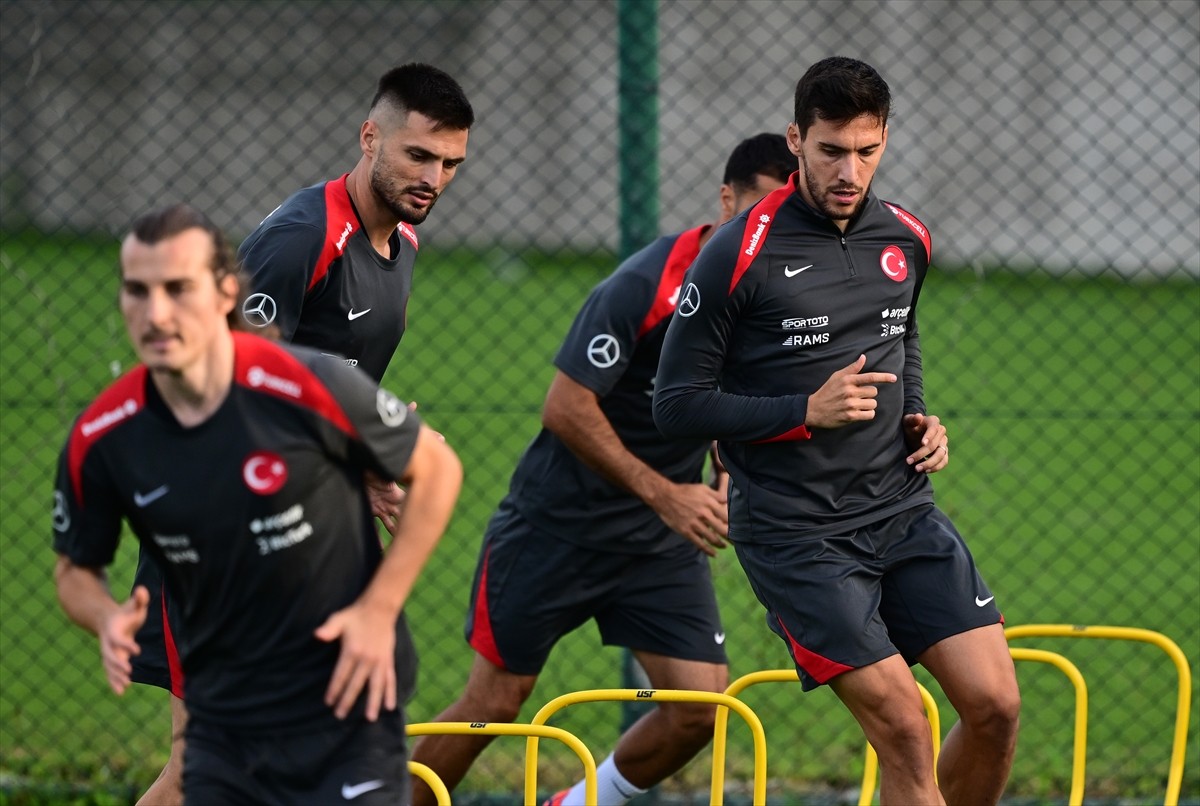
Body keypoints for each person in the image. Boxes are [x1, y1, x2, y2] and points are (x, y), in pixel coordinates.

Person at [652, 58, 1020, 805]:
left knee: (995, 708)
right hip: (797, 534)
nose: (849, 171)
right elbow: (675, 404)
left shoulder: (906, 237)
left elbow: (900, 334)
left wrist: (918, 415)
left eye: (866, 150)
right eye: (830, 150)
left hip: (902, 510)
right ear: (796, 140)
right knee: (906, 728)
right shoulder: (738, 253)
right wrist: (803, 413)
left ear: (884, 140)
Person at [408, 134, 795, 806]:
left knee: (699, 707)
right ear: (725, 200)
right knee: (494, 703)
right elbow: (566, 406)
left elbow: (731, 401)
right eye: (757, 211)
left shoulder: (768, 299)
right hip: (555, 528)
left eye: (783, 219)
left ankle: (578, 804)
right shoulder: (645, 285)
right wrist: (667, 495)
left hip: (655, 546)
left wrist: (725, 474)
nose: (766, 232)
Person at [125, 62, 474, 803]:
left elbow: (319, 381)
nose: (433, 179)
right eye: (418, 155)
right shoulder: (300, 241)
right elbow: (224, 395)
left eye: (450, 164)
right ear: (369, 137)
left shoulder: (402, 244)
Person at [52, 203, 462, 803]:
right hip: (226, 695)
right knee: (187, 776)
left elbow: (438, 468)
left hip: (345, 675)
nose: (156, 313)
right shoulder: (104, 435)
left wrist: (379, 609)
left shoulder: (307, 383)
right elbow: (75, 570)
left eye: (178, 288)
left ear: (225, 294)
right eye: (137, 290)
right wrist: (104, 616)